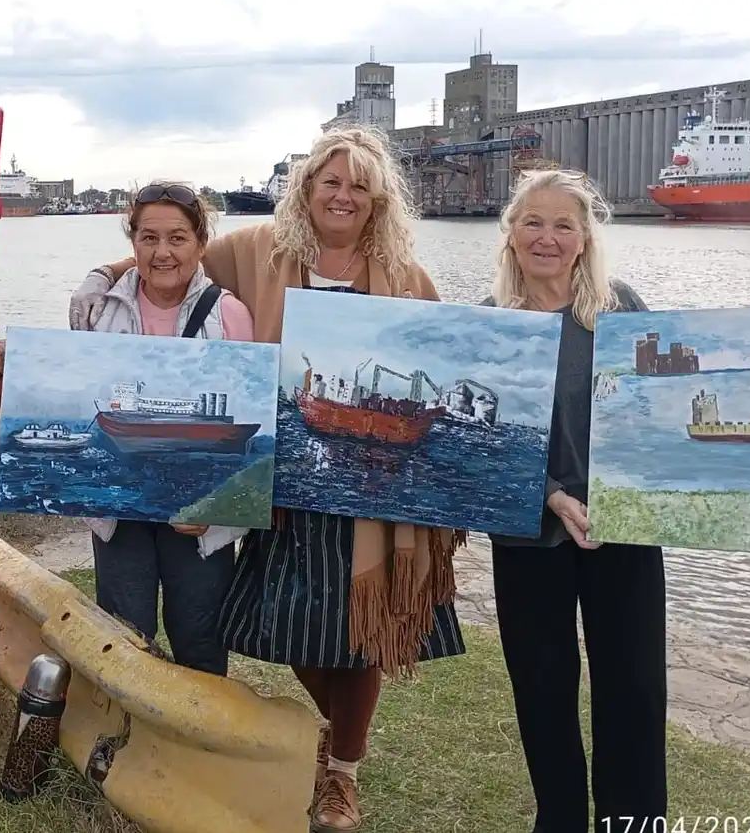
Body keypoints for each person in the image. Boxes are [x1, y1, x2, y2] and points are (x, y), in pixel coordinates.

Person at [70, 127, 467, 833]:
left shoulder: (407, 276)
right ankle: (327, 731)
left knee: (365, 631)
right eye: (330, 182)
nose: (343, 195)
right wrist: (98, 279)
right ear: (307, 188)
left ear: (377, 199)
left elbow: (446, 362)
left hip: (371, 490)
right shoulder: (256, 252)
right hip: (286, 482)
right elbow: (166, 257)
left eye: (358, 186)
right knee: (287, 627)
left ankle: (343, 769)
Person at [479, 168, 666, 833]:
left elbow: (664, 403)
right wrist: (552, 495)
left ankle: (634, 822)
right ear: (511, 236)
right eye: (533, 222)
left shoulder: (619, 310)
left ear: (585, 239)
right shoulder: (491, 326)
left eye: (564, 225)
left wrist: (737, 345)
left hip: (625, 527)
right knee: (543, 688)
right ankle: (559, 820)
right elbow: (483, 444)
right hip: (529, 531)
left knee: (635, 688)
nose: (548, 237)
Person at [81, 179, 254, 677]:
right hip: (120, 512)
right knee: (123, 632)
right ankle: (125, 737)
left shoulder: (229, 316)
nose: (162, 252)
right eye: (148, 238)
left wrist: (216, 506)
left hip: (196, 516)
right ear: (132, 242)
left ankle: (196, 741)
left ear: (201, 244)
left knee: (199, 635)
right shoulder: (99, 311)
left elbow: (248, 414)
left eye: (177, 239)